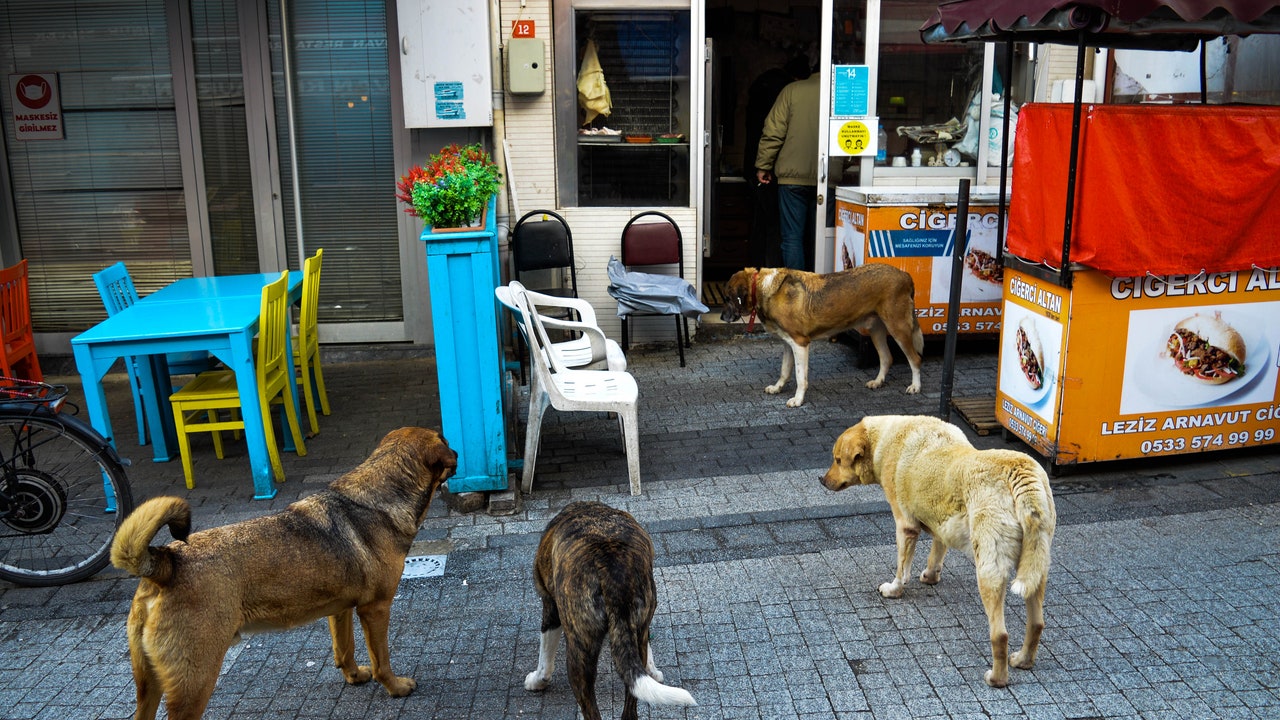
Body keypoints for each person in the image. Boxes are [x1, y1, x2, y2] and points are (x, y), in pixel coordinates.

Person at [742, 56, 811, 268]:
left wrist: (761, 166)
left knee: (773, 228)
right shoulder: (790, 90)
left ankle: (762, 272)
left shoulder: (765, 87)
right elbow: (776, 133)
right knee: (803, 233)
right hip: (786, 171)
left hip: (771, 170)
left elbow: (770, 132)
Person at [755, 69, 819, 272]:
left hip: (793, 179)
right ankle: (823, 293)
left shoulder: (792, 90)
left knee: (792, 238)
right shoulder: (841, 91)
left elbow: (773, 132)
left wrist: (764, 165)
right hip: (828, 179)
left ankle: (796, 289)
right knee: (824, 237)